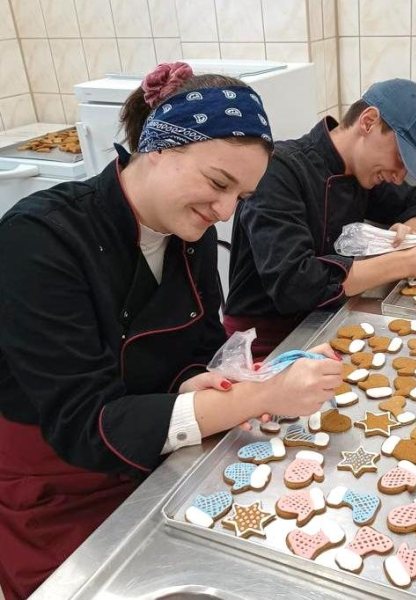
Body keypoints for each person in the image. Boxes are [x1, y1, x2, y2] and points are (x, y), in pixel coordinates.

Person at [0, 62, 342, 600]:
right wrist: (259, 397)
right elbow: (84, 422)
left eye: (240, 197)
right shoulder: (39, 240)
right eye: (218, 183)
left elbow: (199, 345)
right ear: (158, 146)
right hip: (56, 485)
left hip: (155, 465)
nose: (224, 212)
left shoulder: (188, 233)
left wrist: (221, 378)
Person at [224, 78, 416, 358]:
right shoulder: (278, 172)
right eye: (400, 157)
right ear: (368, 122)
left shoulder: (362, 173)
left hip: (328, 322)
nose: (399, 177)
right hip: (264, 344)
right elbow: (295, 285)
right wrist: (408, 261)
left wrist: (409, 237)